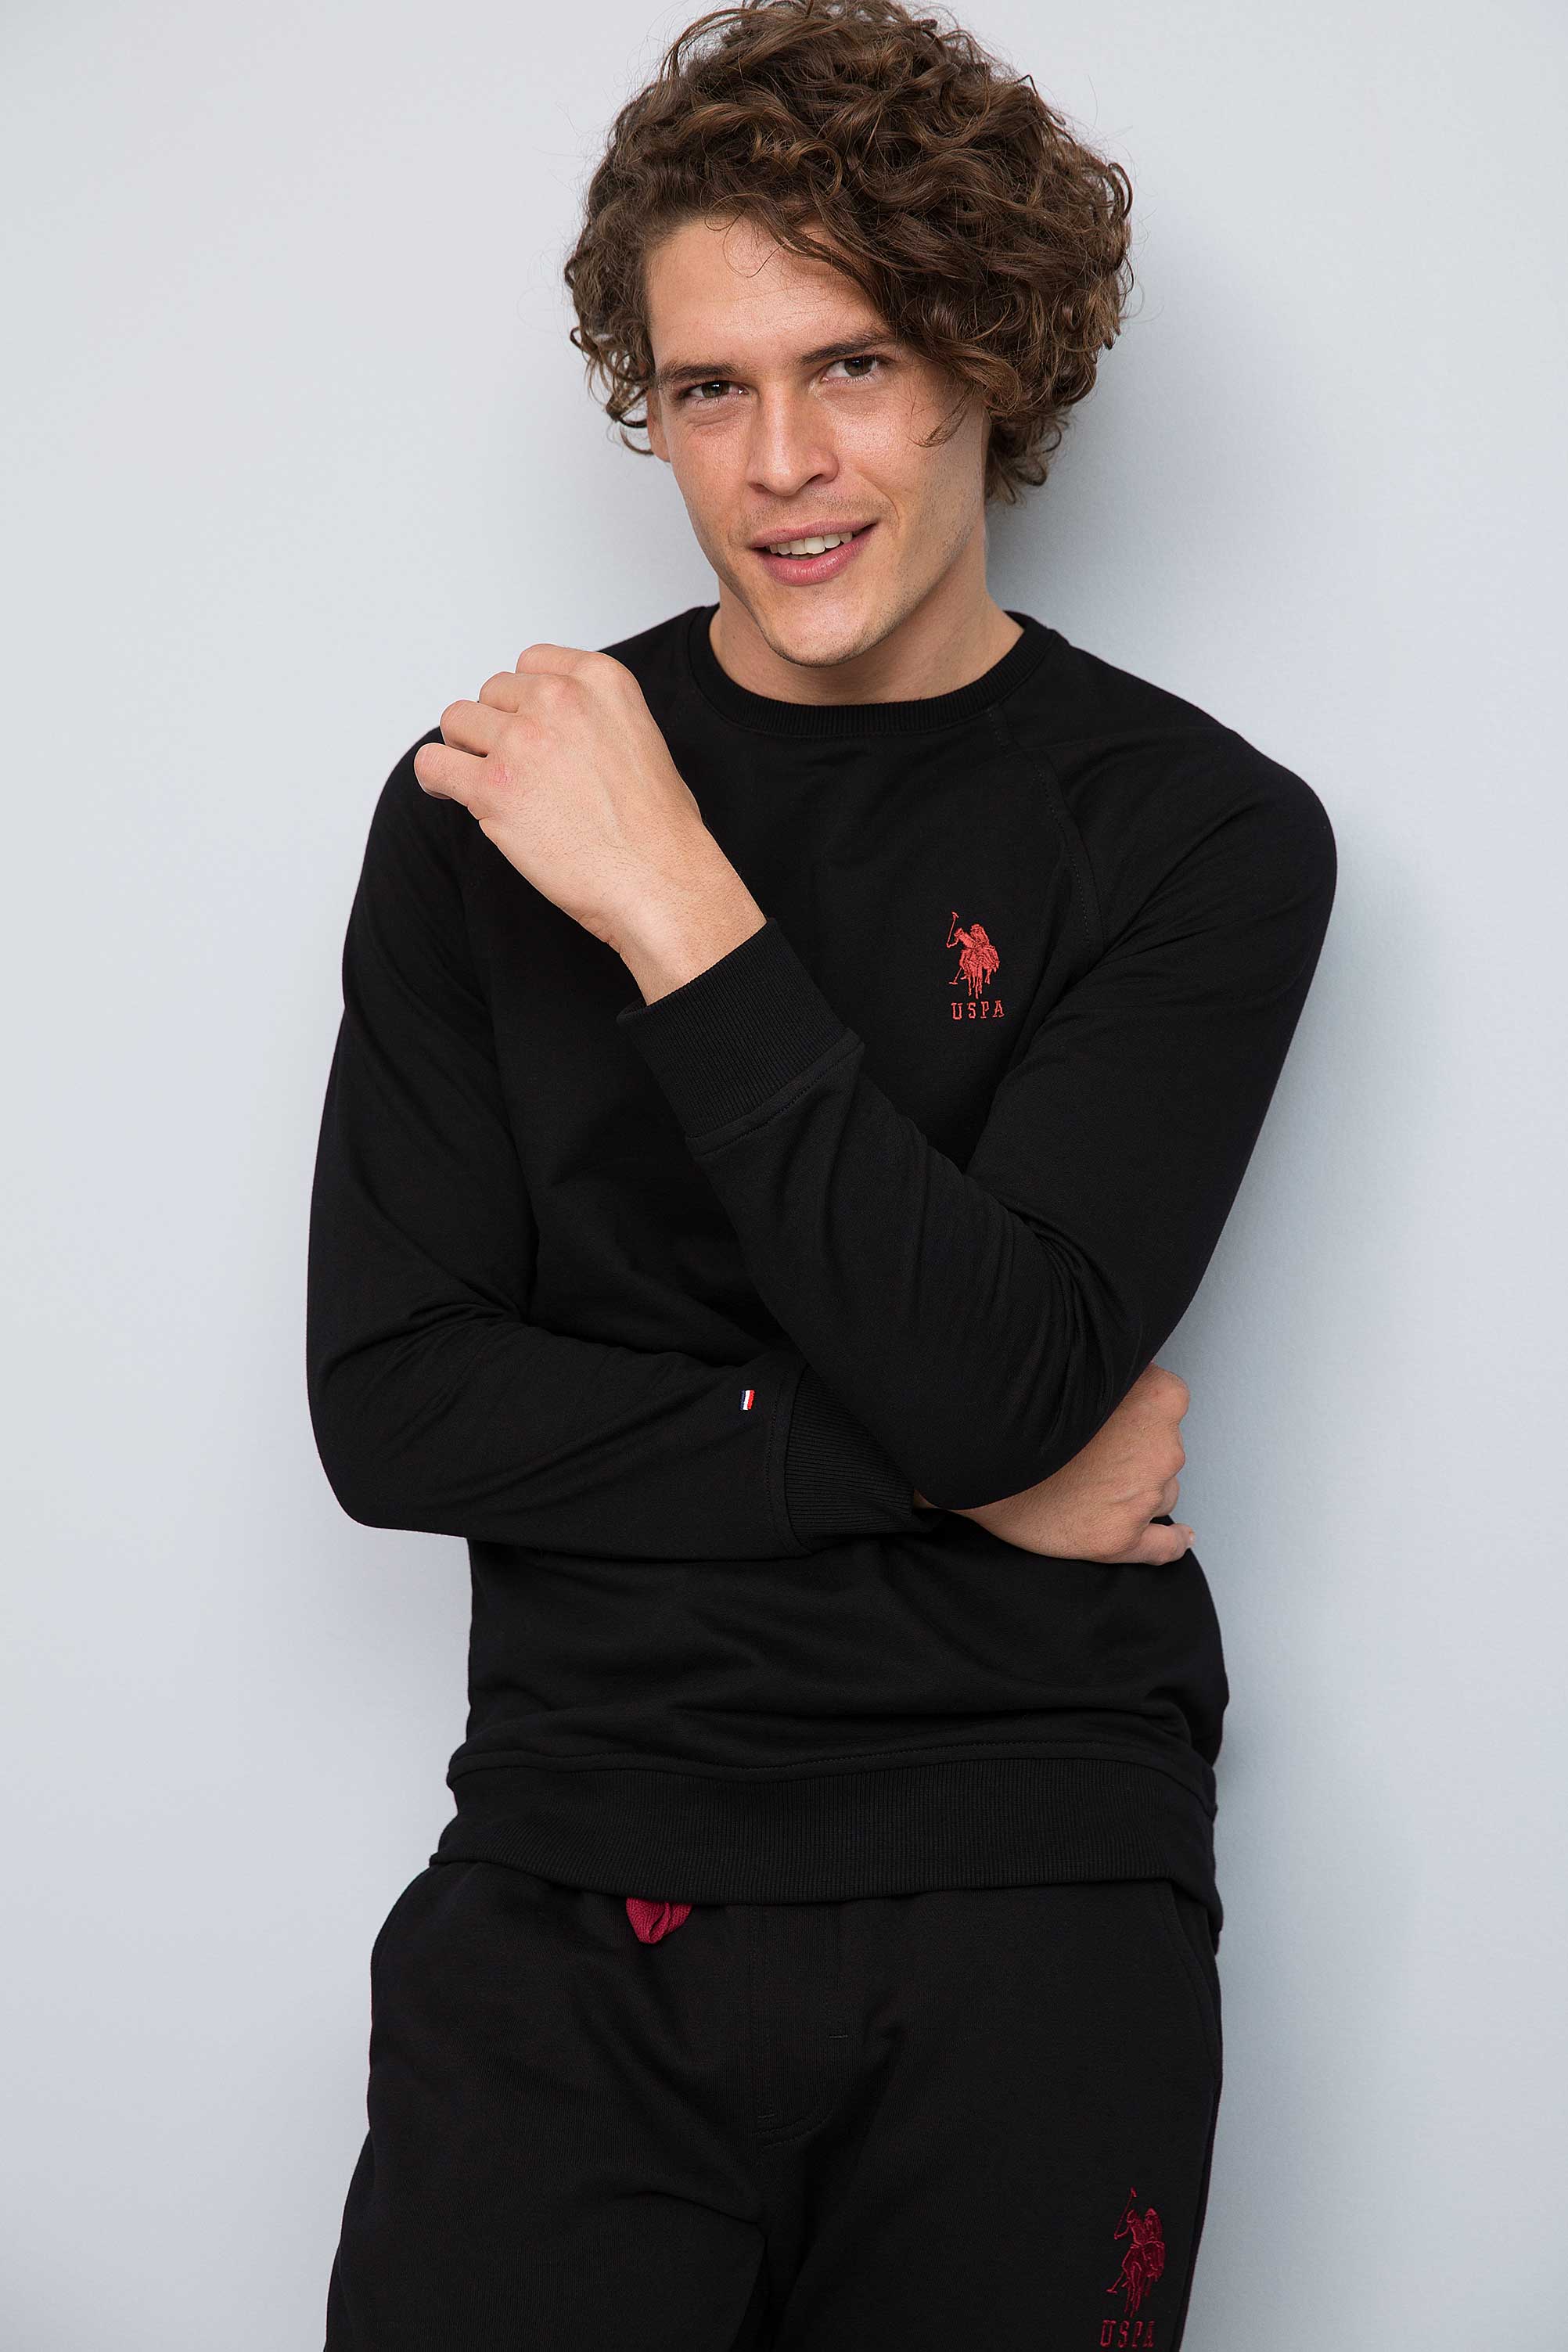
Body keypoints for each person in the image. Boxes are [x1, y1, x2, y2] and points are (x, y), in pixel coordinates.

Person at [306, 2, 1336, 2343]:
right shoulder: (488, 805)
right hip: (578, 1873)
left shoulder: (1194, 837)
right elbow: (395, 1410)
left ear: (993, 357)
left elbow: (994, 1372)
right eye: (708, 389)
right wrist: (958, 1482)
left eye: (852, 365)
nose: (781, 464)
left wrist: (678, 900)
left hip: (1026, 1881)